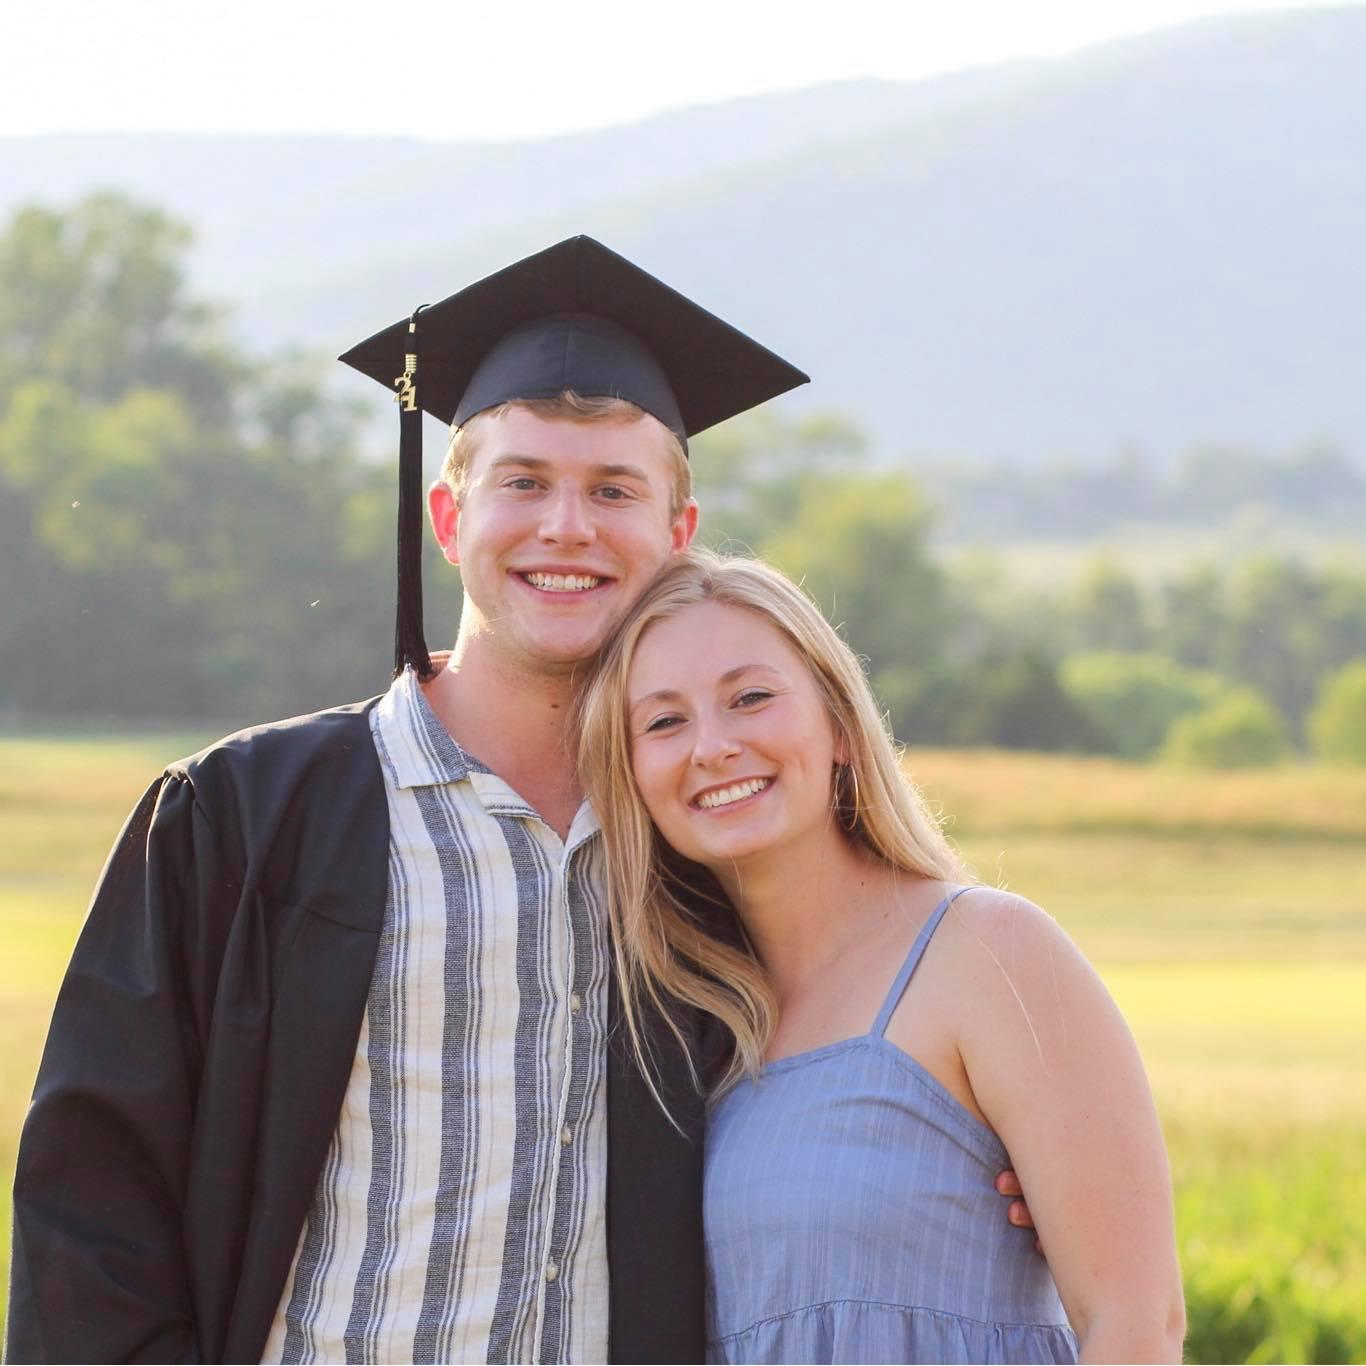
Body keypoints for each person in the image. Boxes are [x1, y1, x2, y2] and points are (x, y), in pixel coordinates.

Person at [6, 237, 1035, 1365]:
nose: (566, 528)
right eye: (524, 483)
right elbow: (93, 1208)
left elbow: (853, 1062)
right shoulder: (243, 821)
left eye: (613, 490)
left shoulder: (717, 846)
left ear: (677, 534)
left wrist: (980, 1153)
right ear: (449, 520)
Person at [575, 549, 1187, 1365]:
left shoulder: (989, 954)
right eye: (664, 721)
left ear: (836, 725)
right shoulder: (683, 1037)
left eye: (750, 698)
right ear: (631, 773)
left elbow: (1138, 1327)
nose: (713, 746)